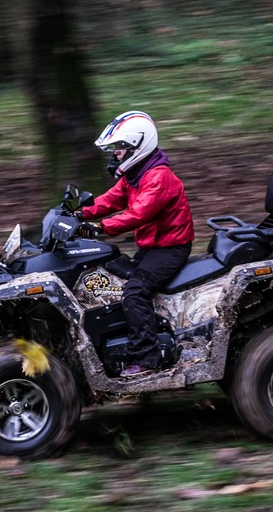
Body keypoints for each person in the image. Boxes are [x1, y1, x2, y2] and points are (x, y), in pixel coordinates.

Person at [77, 110, 195, 377]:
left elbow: (138, 213)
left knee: (134, 292)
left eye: (120, 148)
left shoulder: (159, 177)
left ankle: (147, 358)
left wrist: (99, 227)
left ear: (137, 147)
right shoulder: (137, 173)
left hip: (170, 249)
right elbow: (111, 199)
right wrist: (79, 214)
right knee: (114, 280)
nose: (116, 153)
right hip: (153, 246)